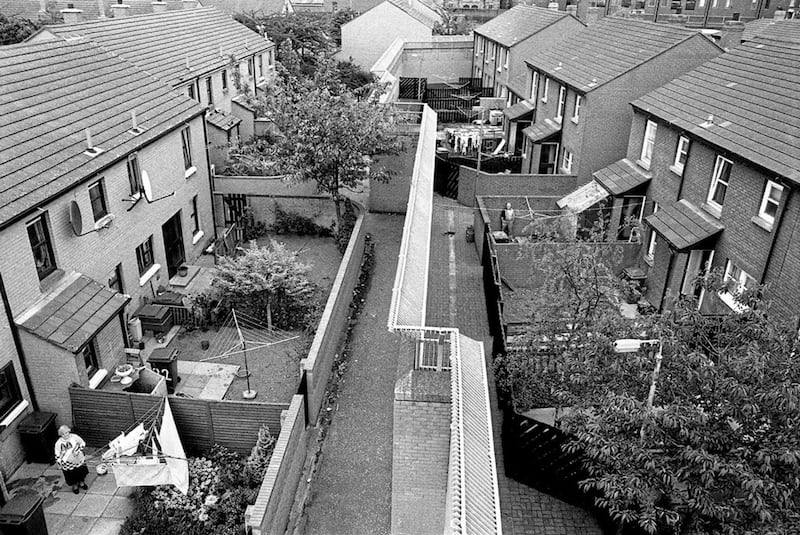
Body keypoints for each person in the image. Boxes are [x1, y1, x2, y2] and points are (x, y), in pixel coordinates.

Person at [55, 425, 89, 494]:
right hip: (67, 463)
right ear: (60, 435)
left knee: (80, 472)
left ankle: (81, 482)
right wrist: (59, 463)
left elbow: (82, 443)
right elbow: (57, 453)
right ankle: (75, 485)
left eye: (66, 433)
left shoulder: (74, 437)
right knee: (71, 475)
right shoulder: (58, 443)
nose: (65, 435)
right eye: (63, 434)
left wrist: (78, 450)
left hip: (78, 459)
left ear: (69, 431)